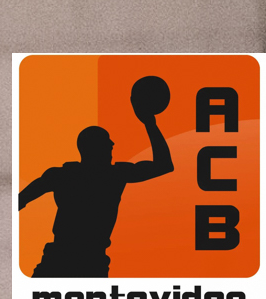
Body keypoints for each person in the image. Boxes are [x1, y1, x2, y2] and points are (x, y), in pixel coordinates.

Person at [20, 111, 176, 278]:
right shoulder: (114, 175)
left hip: (65, 260)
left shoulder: (62, 175)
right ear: (96, 147)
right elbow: (163, 165)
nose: (112, 143)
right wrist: (149, 124)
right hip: (84, 261)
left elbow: (21, 199)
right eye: (106, 140)